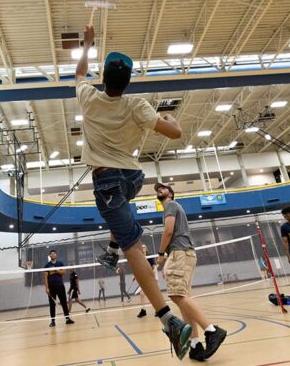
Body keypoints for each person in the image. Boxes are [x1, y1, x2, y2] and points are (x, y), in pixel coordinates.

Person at [74, 24, 192, 358]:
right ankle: (111, 251)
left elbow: (79, 72)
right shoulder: (138, 106)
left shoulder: (88, 96)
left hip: (108, 181)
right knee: (122, 219)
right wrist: (173, 118)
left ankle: (168, 318)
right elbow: (174, 133)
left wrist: (88, 43)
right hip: (133, 179)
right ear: (127, 82)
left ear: (104, 79)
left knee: (133, 246)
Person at [155, 183, 227, 361]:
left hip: (179, 253)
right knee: (181, 299)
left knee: (177, 296)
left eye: (163, 188)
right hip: (181, 254)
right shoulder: (172, 207)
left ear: (171, 193)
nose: (159, 190)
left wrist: (161, 254)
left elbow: (169, 231)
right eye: (157, 189)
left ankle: (211, 330)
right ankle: (195, 344)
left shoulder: (170, 205)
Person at [44, 250, 73, 327]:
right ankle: (53, 321)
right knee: (52, 304)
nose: (53, 255)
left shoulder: (60, 263)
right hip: (51, 287)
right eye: (51, 254)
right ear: (49, 255)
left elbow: (63, 272)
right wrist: (47, 288)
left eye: (54, 253)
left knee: (63, 302)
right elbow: (46, 277)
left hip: (60, 286)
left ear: (56, 255)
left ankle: (67, 319)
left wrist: (57, 270)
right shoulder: (47, 265)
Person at [134, 244, 157, 318]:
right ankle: (144, 310)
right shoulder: (140, 257)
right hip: (144, 278)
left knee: (153, 294)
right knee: (142, 294)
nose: (142, 248)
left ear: (146, 249)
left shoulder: (149, 256)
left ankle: (158, 310)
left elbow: (155, 267)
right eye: (142, 247)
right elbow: (139, 268)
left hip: (151, 277)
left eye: (144, 247)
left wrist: (153, 274)